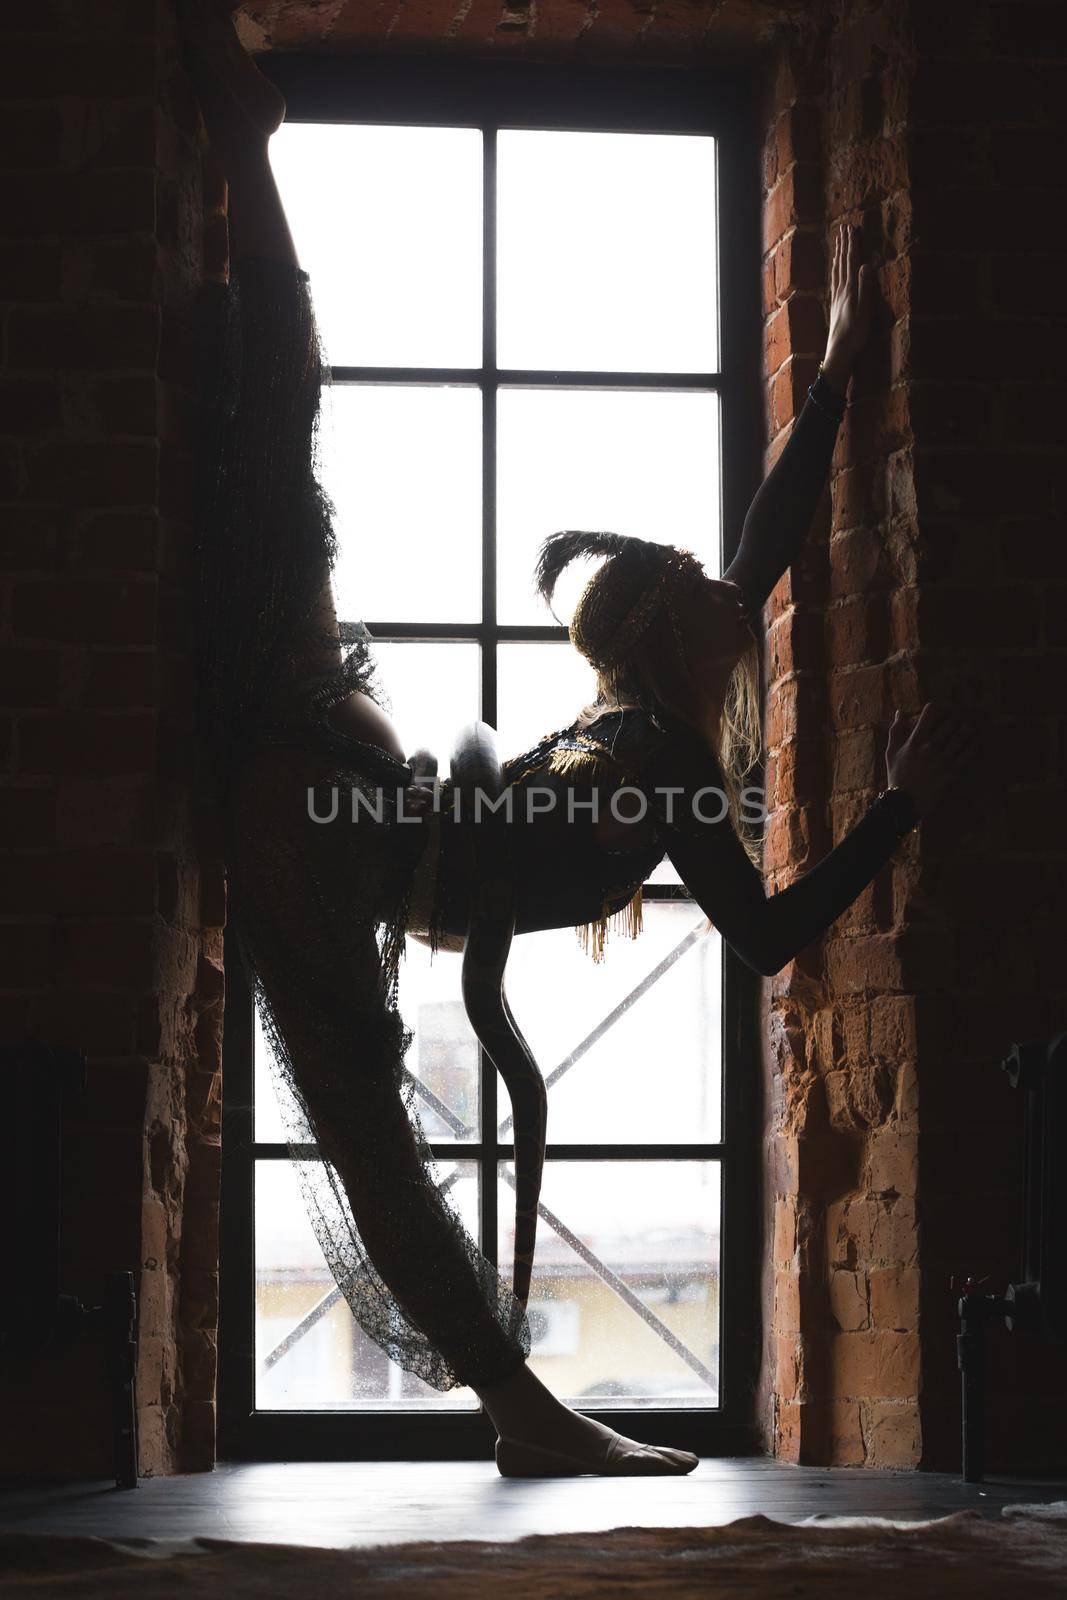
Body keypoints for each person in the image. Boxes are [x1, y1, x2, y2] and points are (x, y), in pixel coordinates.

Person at [179, 0, 980, 1477]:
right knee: (374, 1152)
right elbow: (774, 929)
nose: (716, 592)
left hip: (347, 803)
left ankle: (521, 1413)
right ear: (674, 637)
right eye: (691, 591)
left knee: (275, 437)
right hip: (350, 810)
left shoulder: (643, 723)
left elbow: (760, 556)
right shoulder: (659, 762)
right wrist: (896, 812)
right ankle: (529, 1416)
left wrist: (845, 373)